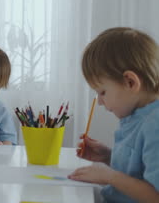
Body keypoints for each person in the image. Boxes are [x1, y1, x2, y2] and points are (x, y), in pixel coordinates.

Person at [68, 27, 159, 202]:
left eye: (102, 92)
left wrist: (110, 177)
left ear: (130, 82)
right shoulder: (136, 116)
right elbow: (138, 173)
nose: (100, 102)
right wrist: (108, 157)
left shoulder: (154, 125)